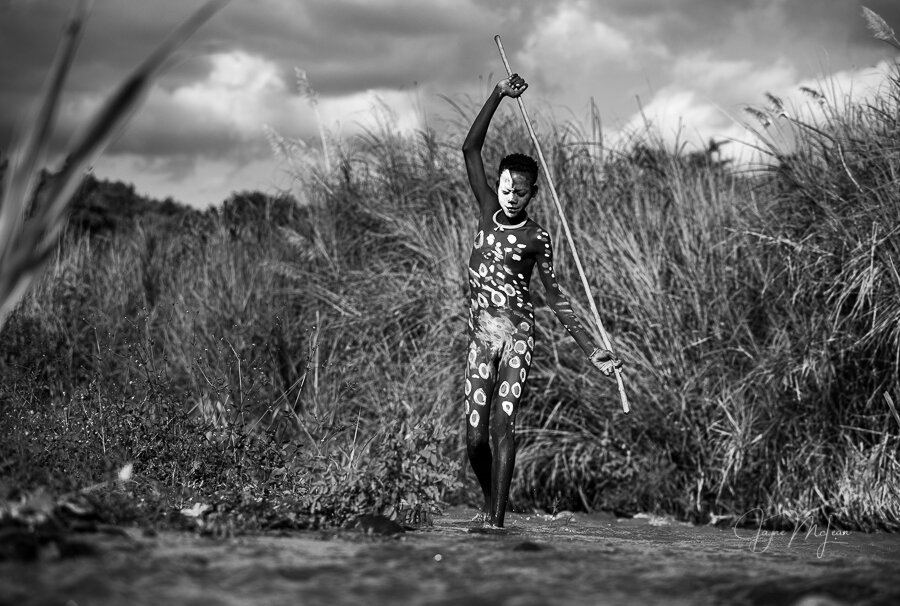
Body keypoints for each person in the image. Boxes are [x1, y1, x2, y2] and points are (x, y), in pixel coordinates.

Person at [460, 73, 622, 528]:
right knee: (475, 439)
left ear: (533, 193)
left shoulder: (536, 237)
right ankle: (495, 502)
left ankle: (495, 523)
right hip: (480, 340)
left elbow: (556, 297)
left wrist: (592, 351)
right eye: (507, 188)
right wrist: (496, 96)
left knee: (501, 427)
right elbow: (470, 150)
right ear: (500, 185)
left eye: (521, 191)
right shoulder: (486, 209)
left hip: (518, 338)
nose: (512, 197)